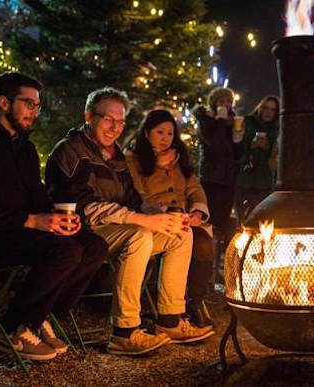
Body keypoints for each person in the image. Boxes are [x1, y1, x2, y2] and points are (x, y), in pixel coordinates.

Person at [0, 72, 108, 361]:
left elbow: (39, 199)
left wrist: (60, 218)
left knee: (94, 245)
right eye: (28, 103)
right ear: (4, 102)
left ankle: (38, 317)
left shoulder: (26, 149)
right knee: (65, 250)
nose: (35, 112)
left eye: (37, 105)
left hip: (21, 233)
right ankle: (10, 329)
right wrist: (32, 220)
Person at [46, 87, 213, 356]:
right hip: (84, 231)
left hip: (118, 225)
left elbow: (133, 200)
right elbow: (85, 208)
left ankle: (169, 320)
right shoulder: (70, 152)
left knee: (180, 233)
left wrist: (158, 213)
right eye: (108, 119)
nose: (115, 128)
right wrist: (142, 220)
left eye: (120, 122)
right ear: (89, 116)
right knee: (140, 236)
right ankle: (124, 332)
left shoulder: (115, 156)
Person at [125, 109, 216, 329]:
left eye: (170, 133)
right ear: (147, 133)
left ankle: (195, 301)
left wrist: (197, 212)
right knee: (187, 238)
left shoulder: (180, 160)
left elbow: (195, 189)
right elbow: (138, 194)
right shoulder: (134, 160)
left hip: (186, 217)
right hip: (156, 218)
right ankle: (172, 310)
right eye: (160, 132)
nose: (165, 138)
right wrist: (164, 211)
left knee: (204, 242)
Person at [193, 87, 243, 240]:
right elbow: (214, 143)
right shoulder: (206, 120)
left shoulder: (233, 121)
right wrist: (220, 120)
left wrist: (238, 137)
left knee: (223, 221)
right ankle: (206, 254)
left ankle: (220, 256)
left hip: (228, 179)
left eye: (229, 101)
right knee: (209, 220)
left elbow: (238, 153)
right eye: (222, 101)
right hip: (210, 177)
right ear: (214, 103)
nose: (226, 104)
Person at [235, 95, 280, 226]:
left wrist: (267, 148)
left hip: (263, 182)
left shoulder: (277, 130)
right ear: (260, 108)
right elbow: (236, 145)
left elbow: (276, 156)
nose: (268, 112)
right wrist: (250, 145)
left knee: (259, 221)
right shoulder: (247, 122)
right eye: (266, 108)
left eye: (272, 110)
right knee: (242, 221)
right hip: (244, 178)